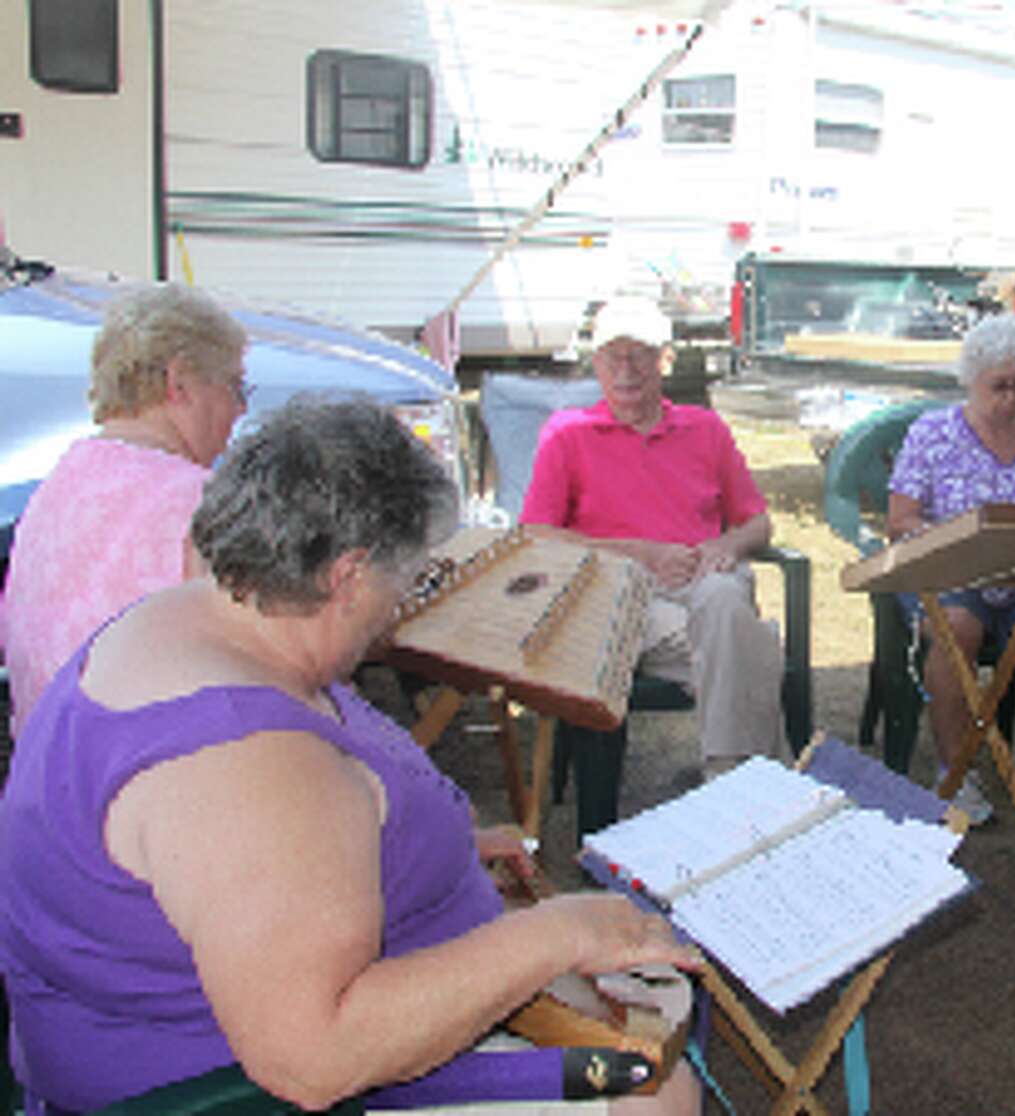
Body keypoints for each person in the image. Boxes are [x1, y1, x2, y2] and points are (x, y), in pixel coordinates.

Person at [0, 397, 702, 1114]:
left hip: (212, 1036)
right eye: (410, 581)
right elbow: (313, 1059)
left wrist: (437, 849)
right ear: (347, 576)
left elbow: (254, 871)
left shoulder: (188, 621)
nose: (400, 609)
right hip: (220, 1092)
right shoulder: (247, 765)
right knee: (655, 1095)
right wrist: (559, 934)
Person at [520, 296, 787, 789]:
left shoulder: (704, 429)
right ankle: (745, 784)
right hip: (615, 598)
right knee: (748, 642)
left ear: (665, 359)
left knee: (725, 595)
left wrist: (725, 545)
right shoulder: (568, 434)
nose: (625, 369)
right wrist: (641, 553)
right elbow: (536, 537)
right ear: (595, 363)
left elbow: (758, 524)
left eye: (639, 354)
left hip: (701, 586)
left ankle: (729, 774)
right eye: (612, 356)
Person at [3, 281, 248, 738]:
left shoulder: (55, 487)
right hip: (144, 783)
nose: (239, 409)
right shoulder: (198, 502)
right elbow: (255, 674)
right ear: (179, 384)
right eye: (235, 386)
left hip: (43, 780)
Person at [887, 312, 1015, 824]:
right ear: (971, 381)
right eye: (998, 386)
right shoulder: (932, 433)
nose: (1010, 399)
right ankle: (956, 769)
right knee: (954, 630)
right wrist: (952, 542)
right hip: (953, 578)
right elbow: (899, 520)